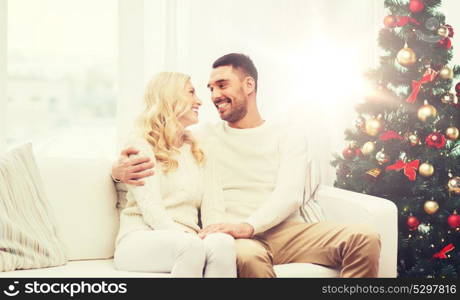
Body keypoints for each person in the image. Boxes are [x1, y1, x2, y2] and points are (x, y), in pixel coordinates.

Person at [112, 54, 381, 278]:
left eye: (222, 85)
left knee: (364, 238)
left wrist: (250, 225)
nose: (214, 95)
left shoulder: (288, 134)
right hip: (238, 239)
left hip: (285, 231)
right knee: (247, 259)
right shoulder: (201, 138)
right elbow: (155, 146)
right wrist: (117, 172)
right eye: (210, 88)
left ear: (248, 84)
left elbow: (290, 193)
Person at [113, 72, 236, 278]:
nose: (199, 101)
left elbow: (213, 207)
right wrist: (192, 238)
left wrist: (211, 233)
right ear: (170, 97)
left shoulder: (202, 149)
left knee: (223, 243)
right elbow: (152, 211)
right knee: (190, 247)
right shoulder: (140, 143)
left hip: (188, 239)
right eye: (191, 92)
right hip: (140, 237)